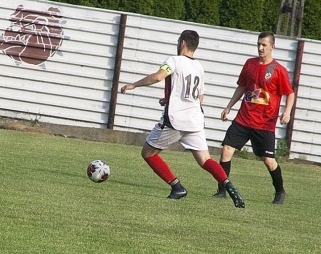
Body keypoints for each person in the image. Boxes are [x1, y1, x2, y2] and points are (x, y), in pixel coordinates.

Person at [120, 30, 245, 208]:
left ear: (183, 43)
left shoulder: (174, 60)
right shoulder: (199, 67)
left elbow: (158, 76)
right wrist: (169, 98)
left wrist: (133, 85)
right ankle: (230, 187)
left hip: (175, 120)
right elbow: (200, 97)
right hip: (195, 120)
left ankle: (177, 187)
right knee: (205, 160)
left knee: (148, 153)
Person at [214, 31, 296, 204]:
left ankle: (280, 191)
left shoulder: (279, 70)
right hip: (243, 119)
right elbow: (242, 87)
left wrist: (287, 112)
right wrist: (229, 106)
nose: (260, 48)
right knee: (227, 149)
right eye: (258, 44)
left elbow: (290, 93)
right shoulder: (250, 64)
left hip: (264, 124)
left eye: (264, 45)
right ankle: (221, 190)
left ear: (272, 47)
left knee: (268, 160)